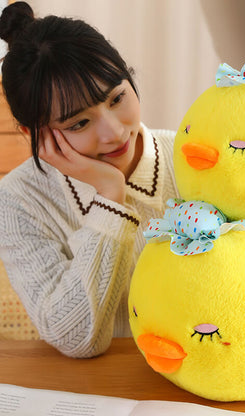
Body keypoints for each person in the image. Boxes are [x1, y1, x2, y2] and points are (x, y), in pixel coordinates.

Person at [0, 2, 180, 357]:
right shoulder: (19, 199)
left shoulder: (189, 156)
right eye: (79, 123)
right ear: (35, 134)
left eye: (117, 98)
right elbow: (75, 338)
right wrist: (110, 199)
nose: (114, 133)